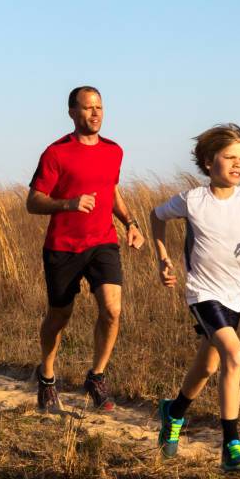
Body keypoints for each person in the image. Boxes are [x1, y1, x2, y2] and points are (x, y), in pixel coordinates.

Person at [150, 123, 240, 471]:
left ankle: (174, 412)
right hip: (203, 293)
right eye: (229, 157)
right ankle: (231, 445)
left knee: (208, 365)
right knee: (236, 356)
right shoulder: (192, 200)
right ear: (208, 161)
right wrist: (163, 258)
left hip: (235, 297)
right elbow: (156, 216)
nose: (237, 164)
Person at [26, 86, 144, 412]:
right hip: (63, 246)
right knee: (59, 316)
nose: (95, 114)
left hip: (103, 242)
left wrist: (130, 223)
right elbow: (33, 201)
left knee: (112, 310)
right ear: (72, 112)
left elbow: (112, 191)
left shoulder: (114, 151)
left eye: (99, 107)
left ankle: (96, 376)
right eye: (87, 108)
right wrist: (68, 203)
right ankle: (47, 378)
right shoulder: (56, 153)